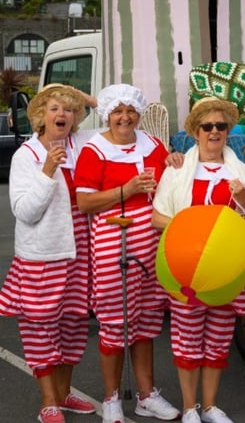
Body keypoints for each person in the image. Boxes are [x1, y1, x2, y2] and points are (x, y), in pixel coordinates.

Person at [74, 83, 180, 423]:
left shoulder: (153, 144)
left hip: (152, 239)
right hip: (113, 240)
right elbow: (85, 202)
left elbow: (169, 183)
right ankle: (111, 398)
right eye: (118, 111)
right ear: (108, 114)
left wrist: (175, 159)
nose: (125, 117)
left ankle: (146, 395)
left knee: (148, 320)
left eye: (130, 111)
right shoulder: (95, 149)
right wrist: (127, 189)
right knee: (116, 323)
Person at [151, 97, 245, 423]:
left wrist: (241, 197)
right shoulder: (179, 169)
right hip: (187, 271)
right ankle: (189, 408)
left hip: (225, 274)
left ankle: (210, 406)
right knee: (187, 343)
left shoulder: (240, 170)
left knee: (217, 341)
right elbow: (158, 216)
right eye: (207, 126)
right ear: (196, 132)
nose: (214, 132)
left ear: (228, 131)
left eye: (221, 126)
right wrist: (192, 231)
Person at [0, 84, 96, 423]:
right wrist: (47, 173)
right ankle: (48, 403)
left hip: (79, 254)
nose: (62, 115)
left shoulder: (82, 144)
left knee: (72, 326)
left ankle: (66, 394)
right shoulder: (26, 156)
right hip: (42, 257)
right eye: (54, 108)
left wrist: (87, 99)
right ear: (41, 115)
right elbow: (24, 211)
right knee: (41, 330)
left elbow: (121, 124)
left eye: (68, 110)